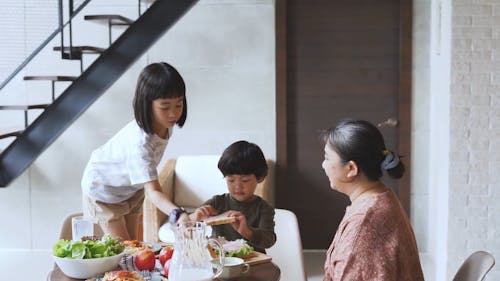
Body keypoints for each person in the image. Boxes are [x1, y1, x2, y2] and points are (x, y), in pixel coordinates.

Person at [81, 62, 190, 240]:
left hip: (130, 190)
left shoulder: (164, 125)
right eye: (165, 107)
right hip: (103, 191)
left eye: (178, 105)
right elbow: (153, 191)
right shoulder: (140, 142)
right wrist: (178, 213)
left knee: (134, 249)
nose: (173, 113)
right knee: (123, 254)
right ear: (147, 104)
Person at [321, 119, 424, 281]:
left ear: (351, 169)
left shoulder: (364, 223)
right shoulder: (379, 197)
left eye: (327, 158)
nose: (323, 165)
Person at [189, 140, 276, 253]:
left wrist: (247, 231)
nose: (237, 187)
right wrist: (195, 217)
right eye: (231, 180)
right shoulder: (217, 202)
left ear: (259, 178)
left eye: (245, 180)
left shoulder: (263, 208)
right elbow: (185, 224)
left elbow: (269, 240)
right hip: (220, 260)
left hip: (252, 263)